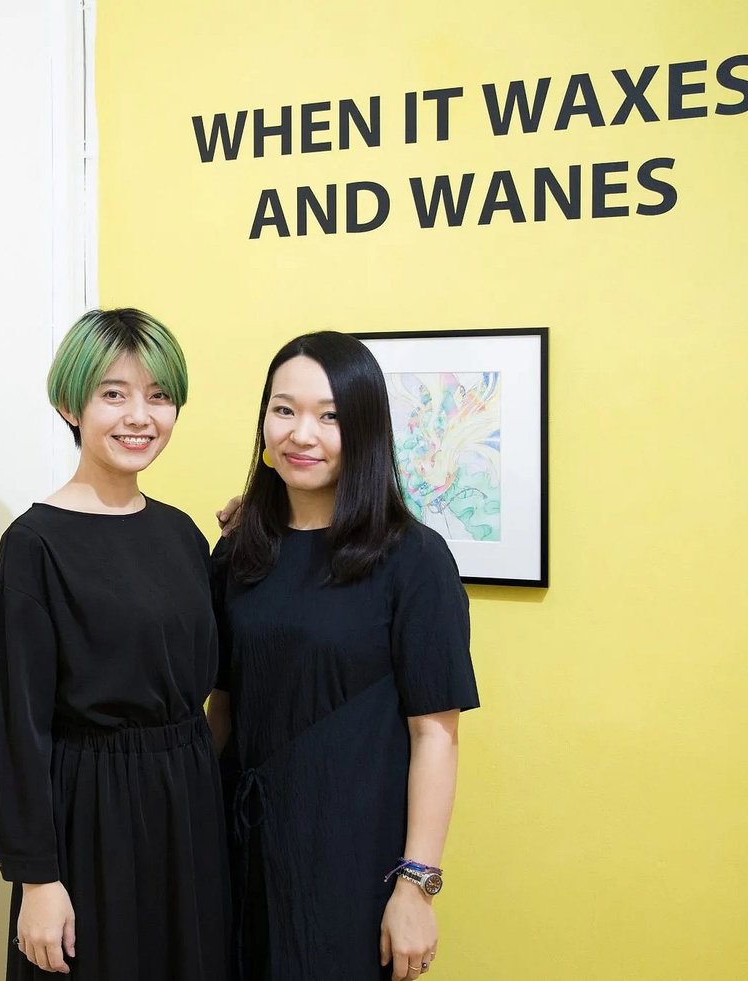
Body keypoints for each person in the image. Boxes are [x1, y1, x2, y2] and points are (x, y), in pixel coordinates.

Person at [208, 331, 479, 981]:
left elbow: (435, 734)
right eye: (285, 409)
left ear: (364, 430)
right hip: (237, 853)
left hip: (351, 863)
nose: (304, 433)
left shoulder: (413, 558)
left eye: (330, 415)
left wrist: (416, 885)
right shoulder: (239, 551)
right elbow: (222, 705)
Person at [0, 308, 231, 981]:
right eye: (114, 394)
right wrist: (37, 880)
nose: (140, 416)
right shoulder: (35, 545)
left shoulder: (184, 534)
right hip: (91, 817)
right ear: (71, 402)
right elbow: (18, 729)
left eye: (159, 396)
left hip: (187, 810)